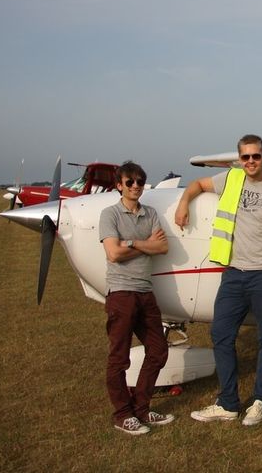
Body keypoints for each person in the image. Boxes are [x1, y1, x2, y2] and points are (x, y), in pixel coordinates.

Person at [175, 134, 262, 426]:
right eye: (245, 157)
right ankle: (228, 402)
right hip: (234, 274)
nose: (250, 162)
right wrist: (183, 203)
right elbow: (197, 184)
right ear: (239, 159)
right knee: (221, 335)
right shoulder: (230, 179)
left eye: (256, 156)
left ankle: (260, 400)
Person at [99, 161, 172, 435]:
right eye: (130, 182)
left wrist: (130, 243)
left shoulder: (150, 213)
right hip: (121, 293)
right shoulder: (110, 215)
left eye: (140, 181)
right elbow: (113, 254)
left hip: (145, 291)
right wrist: (145, 246)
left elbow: (162, 246)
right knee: (119, 358)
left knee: (158, 350)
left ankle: (141, 408)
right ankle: (122, 414)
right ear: (119, 185)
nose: (136, 186)